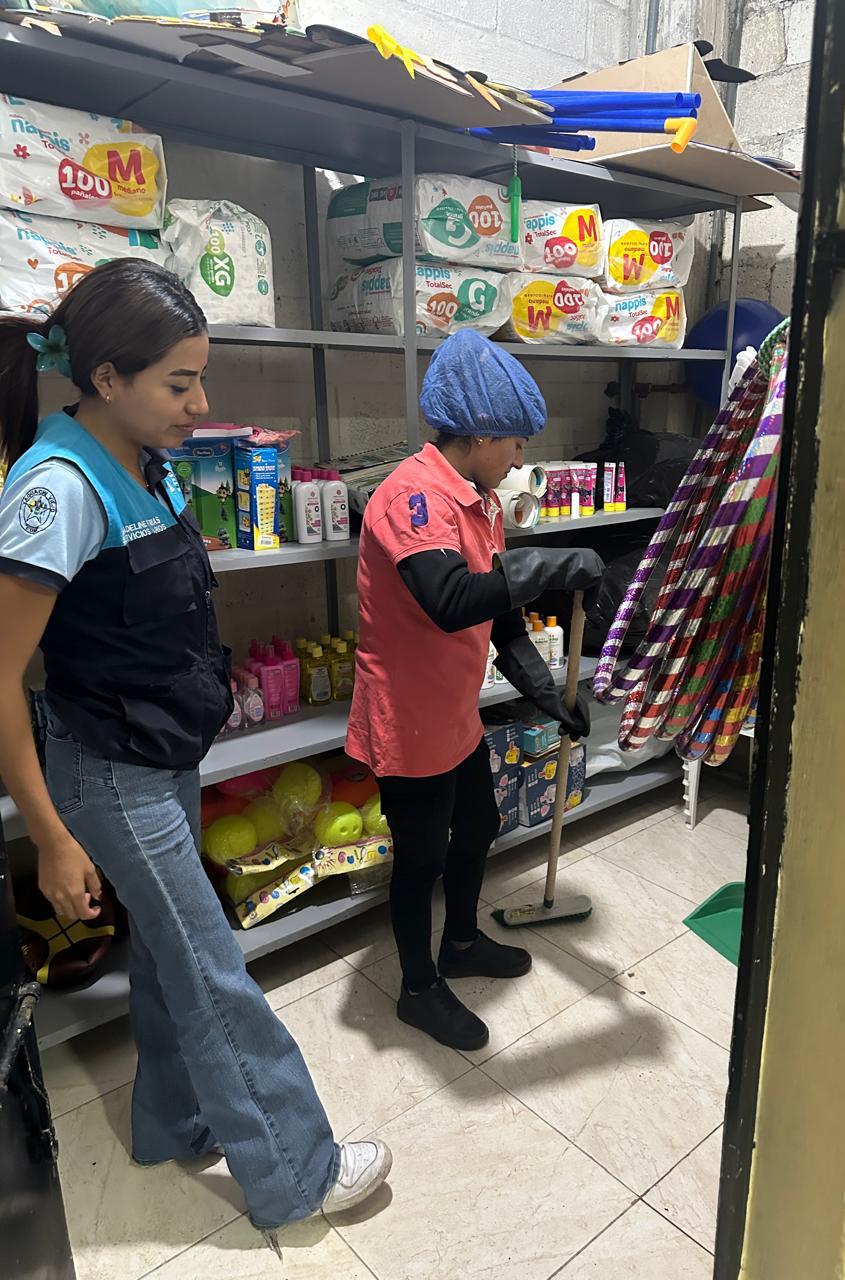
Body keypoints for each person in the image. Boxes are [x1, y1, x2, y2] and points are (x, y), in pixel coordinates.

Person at [0, 259, 391, 1241]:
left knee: (173, 958)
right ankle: (298, 1172)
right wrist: (49, 836)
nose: (201, 404)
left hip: (160, 758)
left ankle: (172, 1122)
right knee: (214, 968)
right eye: (180, 383)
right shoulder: (57, 488)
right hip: (108, 774)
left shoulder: (147, 461)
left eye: (200, 377)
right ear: (106, 378)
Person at [346, 330, 604, 1051]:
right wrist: (554, 565)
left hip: (452, 712)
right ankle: (418, 990)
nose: (521, 459)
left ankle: (459, 942)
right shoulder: (411, 499)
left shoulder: (478, 501)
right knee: (421, 857)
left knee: (481, 825)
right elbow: (452, 599)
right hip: (407, 719)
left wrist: (546, 693)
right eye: (517, 443)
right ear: (482, 432)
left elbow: (499, 616)